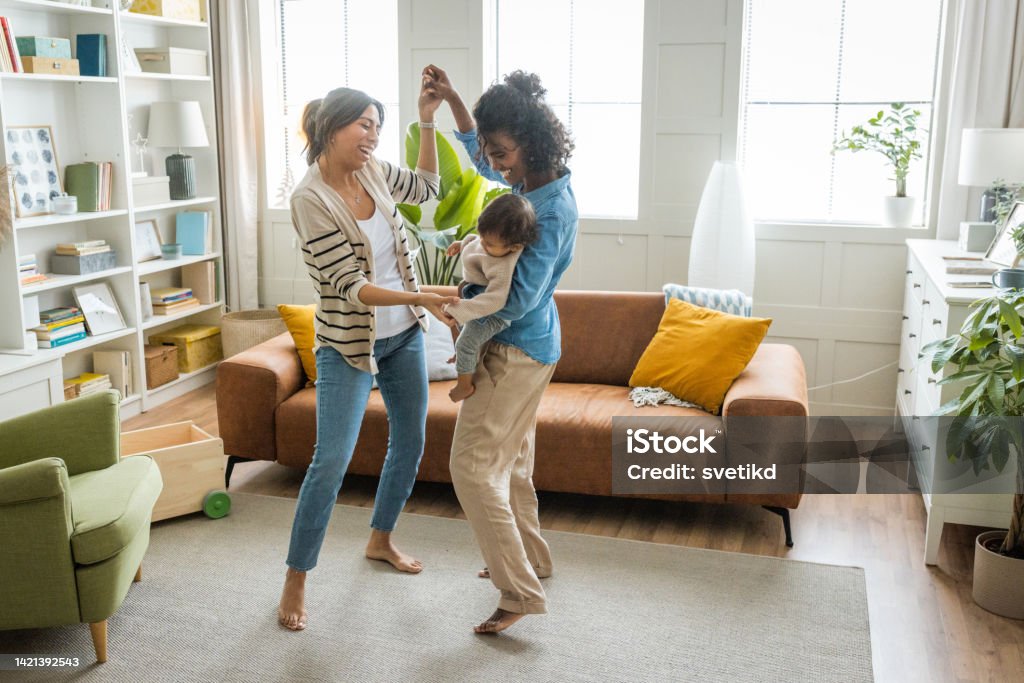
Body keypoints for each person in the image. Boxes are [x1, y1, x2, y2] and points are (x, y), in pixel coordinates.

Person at [277, 82, 458, 632]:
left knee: (412, 439)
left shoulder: (374, 171)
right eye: (363, 124)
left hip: (403, 335)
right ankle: (297, 575)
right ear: (331, 129)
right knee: (330, 460)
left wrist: (426, 121)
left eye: (377, 125)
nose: (373, 134)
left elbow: (427, 188)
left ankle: (380, 539)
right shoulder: (310, 200)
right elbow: (351, 286)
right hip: (348, 344)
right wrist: (422, 295)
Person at [423, 64, 579, 634]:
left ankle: (518, 592)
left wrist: (459, 310)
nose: (492, 159)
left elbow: (514, 302)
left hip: (514, 348)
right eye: (491, 147)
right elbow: (471, 145)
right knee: (511, 465)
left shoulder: (551, 209)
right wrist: (457, 102)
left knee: (470, 468)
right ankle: (532, 560)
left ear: (532, 144)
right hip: (532, 347)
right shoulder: (527, 185)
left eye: (502, 150)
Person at [443, 193, 539, 402]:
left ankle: (464, 386)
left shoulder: (503, 266)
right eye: (482, 238)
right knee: (465, 339)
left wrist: (461, 310)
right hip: (475, 301)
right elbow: (479, 242)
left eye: (489, 244)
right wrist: (463, 243)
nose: (483, 245)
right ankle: (465, 358)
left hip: (492, 314)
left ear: (513, 247)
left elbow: (495, 300)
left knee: (465, 343)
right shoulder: (495, 242)